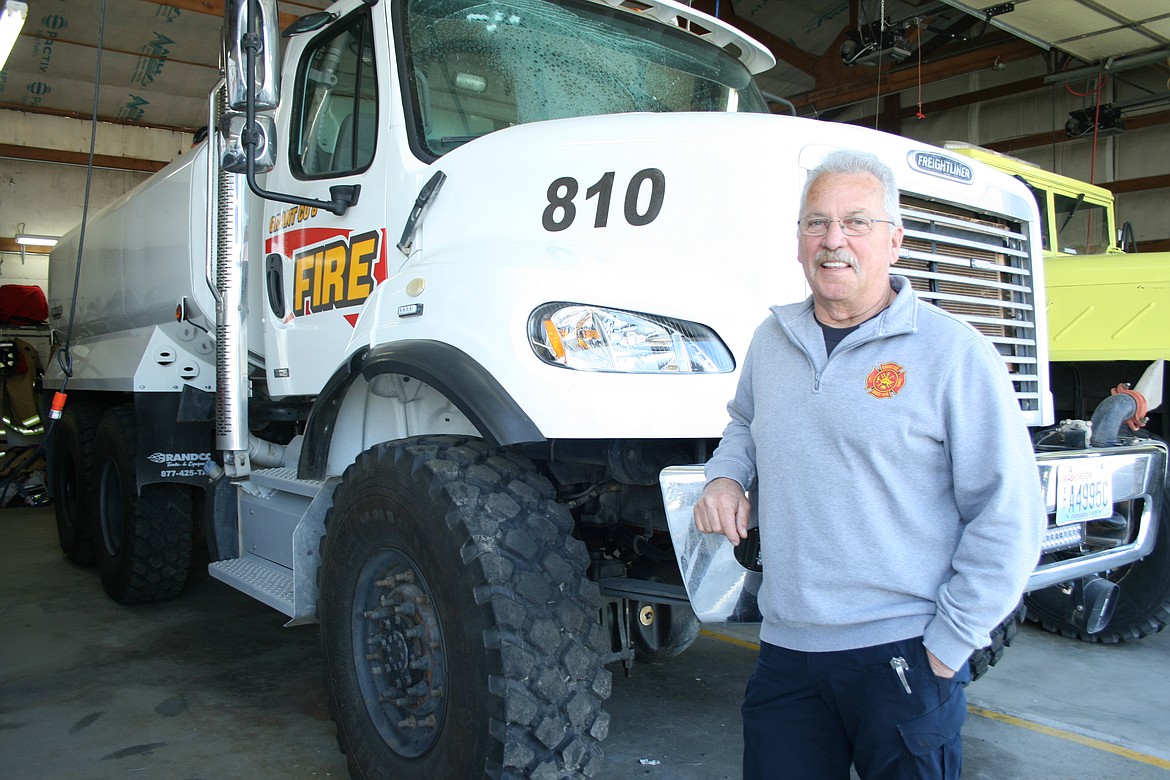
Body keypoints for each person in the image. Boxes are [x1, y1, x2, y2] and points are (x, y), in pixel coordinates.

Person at [693, 149, 1046, 779]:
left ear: (895, 241)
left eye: (856, 222)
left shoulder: (954, 354)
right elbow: (744, 422)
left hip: (902, 654)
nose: (834, 241)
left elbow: (1009, 512)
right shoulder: (771, 341)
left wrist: (951, 643)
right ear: (799, 241)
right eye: (816, 223)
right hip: (787, 650)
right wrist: (727, 473)